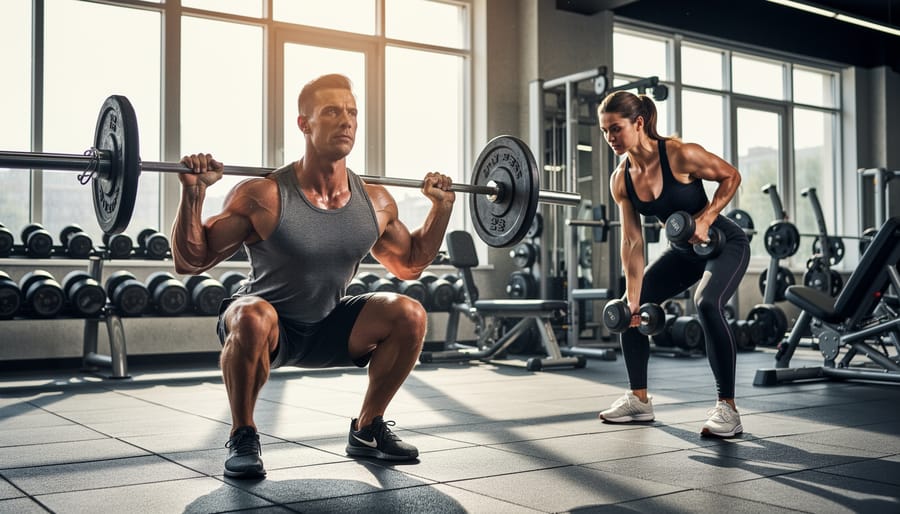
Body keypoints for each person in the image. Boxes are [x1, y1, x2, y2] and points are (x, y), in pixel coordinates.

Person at [172, 73, 455, 479]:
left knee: (409, 313)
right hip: (267, 325)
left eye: (352, 113)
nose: (346, 121)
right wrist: (194, 193)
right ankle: (243, 433)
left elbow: (408, 265)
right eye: (332, 112)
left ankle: (367, 429)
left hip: (329, 325)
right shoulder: (264, 195)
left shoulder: (375, 201)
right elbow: (191, 260)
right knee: (252, 315)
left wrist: (440, 209)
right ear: (304, 123)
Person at [596, 90, 750, 438]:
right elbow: (632, 241)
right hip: (683, 252)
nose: (610, 138)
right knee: (630, 307)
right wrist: (634, 296)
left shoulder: (680, 154)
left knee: (707, 304)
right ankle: (639, 400)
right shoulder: (621, 179)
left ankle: (728, 408)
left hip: (725, 243)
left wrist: (708, 218)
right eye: (604, 131)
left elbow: (731, 176)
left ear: (638, 123)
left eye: (616, 129)